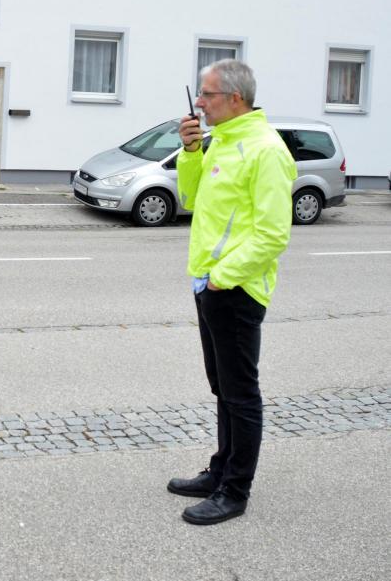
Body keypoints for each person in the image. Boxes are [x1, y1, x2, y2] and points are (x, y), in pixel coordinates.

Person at [169, 59, 296, 525]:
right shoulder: (221, 142)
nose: (199, 104)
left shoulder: (266, 150)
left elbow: (272, 233)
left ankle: (235, 492)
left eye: (207, 95)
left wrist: (226, 275)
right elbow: (191, 200)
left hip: (236, 289)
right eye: (200, 95)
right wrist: (190, 152)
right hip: (208, 283)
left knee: (241, 394)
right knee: (222, 387)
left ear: (235, 98)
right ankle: (220, 470)